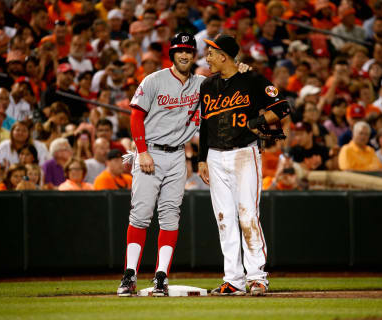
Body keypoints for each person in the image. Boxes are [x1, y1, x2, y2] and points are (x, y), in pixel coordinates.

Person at [198, 34, 290, 296]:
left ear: (224, 55)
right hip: (215, 156)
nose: (207, 58)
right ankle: (233, 279)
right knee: (224, 219)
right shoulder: (207, 85)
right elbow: (205, 124)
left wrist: (254, 124)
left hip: (244, 154)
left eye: (212, 53)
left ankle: (257, 277)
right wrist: (201, 158)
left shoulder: (251, 79)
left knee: (248, 214)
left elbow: (282, 107)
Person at [116, 32, 206, 297]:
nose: (184, 54)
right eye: (179, 50)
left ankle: (161, 277)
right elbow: (135, 116)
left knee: (169, 216)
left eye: (188, 50)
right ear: (172, 54)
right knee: (141, 215)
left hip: (178, 155)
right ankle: (129, 275)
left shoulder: (201, 84)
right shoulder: (154, 80)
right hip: (150, 153)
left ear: (194, 54)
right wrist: (141, 151)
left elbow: (227, 84)